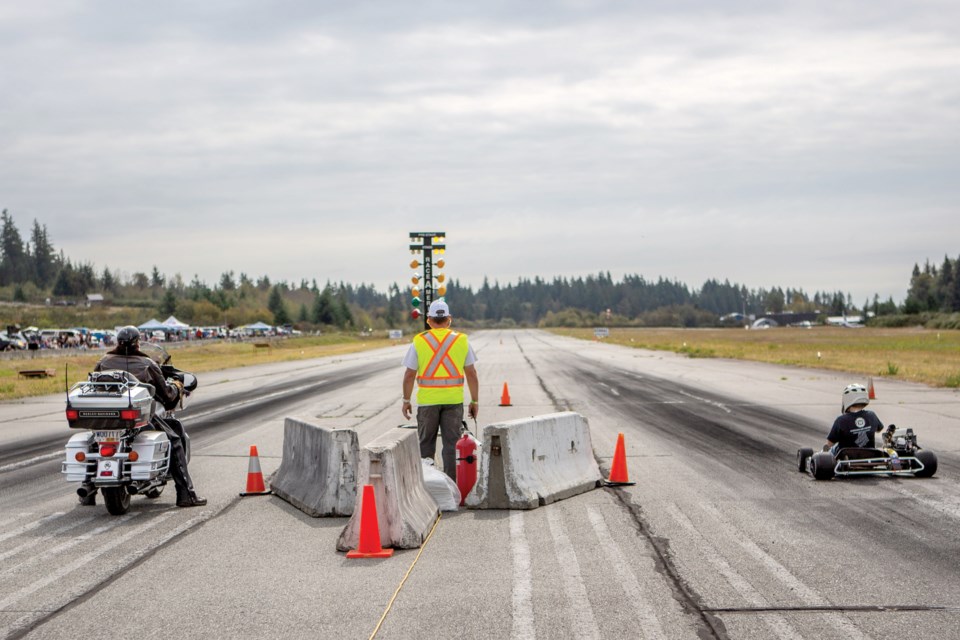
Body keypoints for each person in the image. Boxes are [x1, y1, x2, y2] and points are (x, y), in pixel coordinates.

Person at [84, 325, 207, 507]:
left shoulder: (104, 361)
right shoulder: (147, 364)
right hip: (137, 418)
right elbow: (167, 395)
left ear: (118, 343)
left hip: (106, 417)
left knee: (95, 442)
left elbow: (93, 384)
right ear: (137, 344)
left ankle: (87, 493)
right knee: (174, 439)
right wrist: (176, 386)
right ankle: (185, 494)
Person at [401, 300, 479, 481]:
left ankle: (427, 485)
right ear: (449, 319)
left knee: (426, 445)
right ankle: (452, 486)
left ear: (428, 320)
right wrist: (474, 401)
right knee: (452, 445)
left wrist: (406, 400)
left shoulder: (419, 341)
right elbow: (472, 373)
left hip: (428, 402)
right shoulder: (461, 340)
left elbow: (409, 375)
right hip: (453, 401)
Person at [824, 383, 884, 455]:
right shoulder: (872, 415)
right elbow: (879, 429)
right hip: (869, 457)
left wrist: (824, 453)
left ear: (847, 399)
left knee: (833, 448)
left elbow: (829, 444)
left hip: (846, 459)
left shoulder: (841, 420)